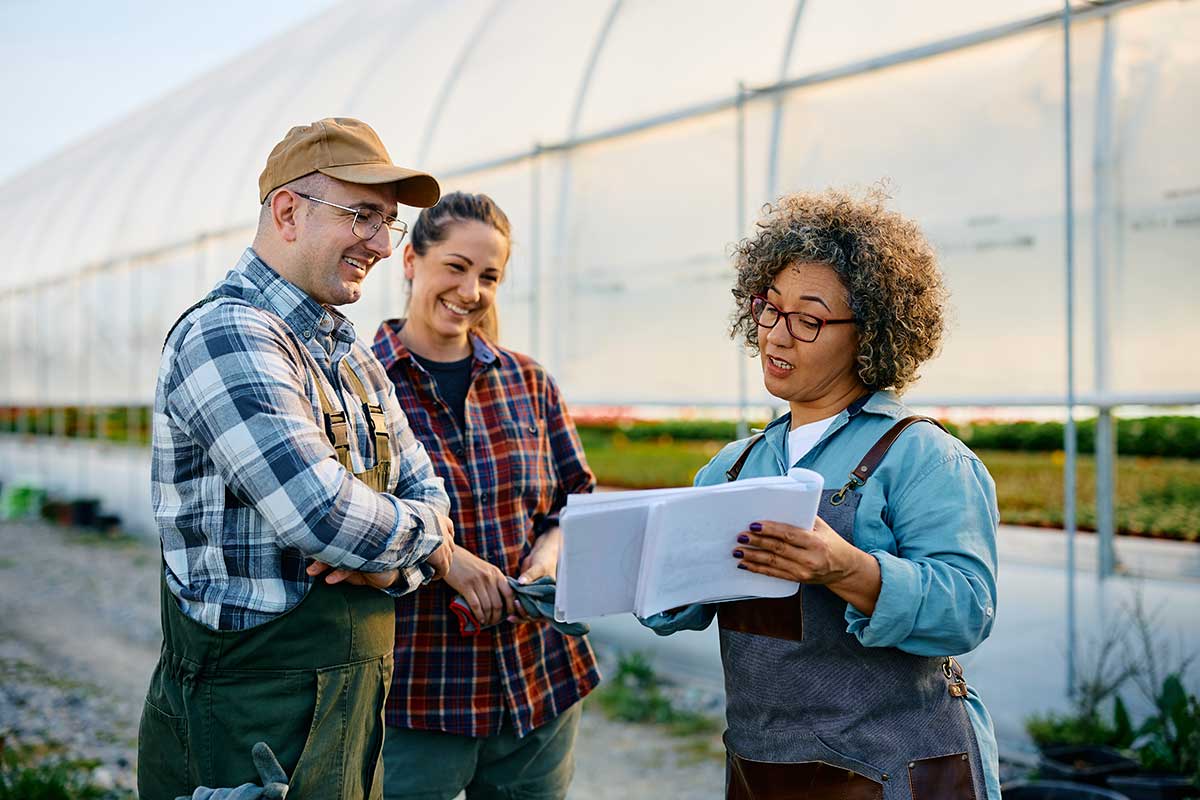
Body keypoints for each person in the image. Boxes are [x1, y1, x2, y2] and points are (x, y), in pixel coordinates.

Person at [641, 187, 1002, 800]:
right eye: (769, 309)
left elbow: (967, 608)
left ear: (872, 336)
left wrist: (849, 569)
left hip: (898, 770)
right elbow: (675, 604)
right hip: (766, 770)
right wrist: (635, 567)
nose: (778, 336)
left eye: (809, 319)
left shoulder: (923, 457)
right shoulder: (735, 467)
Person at [139, 117, 455, 800]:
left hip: (344, 719)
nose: (378, 242)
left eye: (387, 223)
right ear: (288, 211)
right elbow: (323, 517)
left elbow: (431, 489)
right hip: (250, 735)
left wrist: (388, 565)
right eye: (363, 215)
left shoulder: (351, 354)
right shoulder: (228, 335)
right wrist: (417, 541)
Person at [371, 192, 599, 800]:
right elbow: (350, 523)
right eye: (456, 266)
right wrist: (448, 563)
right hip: (419, 696)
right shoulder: (360, 384)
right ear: (410, 262)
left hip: (537, 681)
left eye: (489, 276)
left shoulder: (528, 381)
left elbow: (573, 499)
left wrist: (546, 559)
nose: (471, 290)